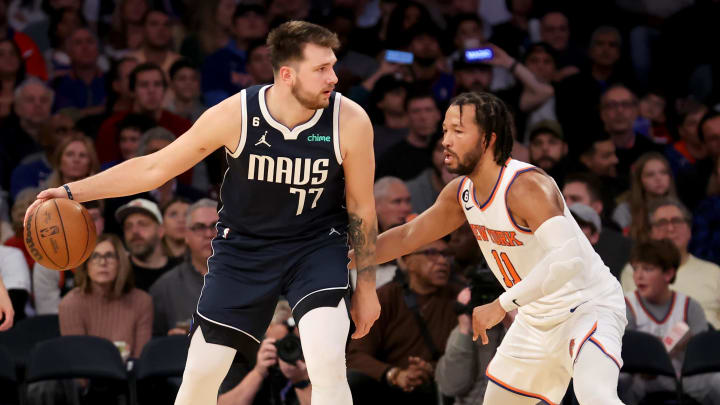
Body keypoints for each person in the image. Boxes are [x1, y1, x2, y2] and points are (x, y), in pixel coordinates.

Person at [28, 21, 380, 405]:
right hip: (245, 249)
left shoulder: (350, 120)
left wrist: (365, 287)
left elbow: (362, 209)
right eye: (321, 69)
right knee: (200, 374)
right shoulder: (237, 114)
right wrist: (70, 190)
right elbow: (154, 168)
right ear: (286, 74)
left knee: (327, 361)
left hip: (315, 247)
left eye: (333, 65)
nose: (334, 78)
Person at [354, 92, 627, 404]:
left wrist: (502, 304)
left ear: (488, 139)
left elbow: (568, 261)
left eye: (458, 131)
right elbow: (408, 237)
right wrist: (348, 259)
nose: (446, 140)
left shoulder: (527, 186)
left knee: (596, 396)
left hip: (586, 306)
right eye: (444, 130)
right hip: (537, 316)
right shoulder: (461, 193)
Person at [347, 238, 458, 405]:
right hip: (388, 387)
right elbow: (355, 356)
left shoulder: (459, 299)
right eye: (431, 253)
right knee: (352, 381)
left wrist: (430, 369)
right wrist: (394, 374)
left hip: (438, 387)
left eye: (446, 254)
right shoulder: (385, 298)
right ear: (407, 260)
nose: (443, 261)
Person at [622, 239, 720, 405]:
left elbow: (703, 357)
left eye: (647, 269)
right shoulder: (627, 305)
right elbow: (625, 353)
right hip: (640, 379)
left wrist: (688, 344)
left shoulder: (690, 306)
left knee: (717, 381)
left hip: (684, 377)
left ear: (668, 274)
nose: (638, 276)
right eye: (636, 268)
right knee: (618, 381)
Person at [620, 198, 720, 329]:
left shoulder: (714, 272)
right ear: (651, 232)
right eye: (662, 223)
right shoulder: (634, 270)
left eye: (677, 221)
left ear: (689, 229)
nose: (670, 228)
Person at [59, 233, 153, 359]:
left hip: (130, 376)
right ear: (86, 265)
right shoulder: (70, 304)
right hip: (88, 375)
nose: (103, 262)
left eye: (109, 256)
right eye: (95, 256)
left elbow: (141, 361)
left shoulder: (142, 301)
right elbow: (77, 363)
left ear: (120, 263)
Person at [150, 198, 217, 336]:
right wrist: (170, 342)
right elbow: (153, 348)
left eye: (216, 226)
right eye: (199, 227)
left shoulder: (249, 278)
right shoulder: (165, 287)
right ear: (186, 235)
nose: (209, 234)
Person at [33, 200, 105, 315]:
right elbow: (48, 314)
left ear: (103, 222)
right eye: (80, 219)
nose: (88, 225)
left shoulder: (119, 256)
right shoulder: (49, 261)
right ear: (64, 224)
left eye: (94, 218)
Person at [115, 198, 180, 291]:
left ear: (161, 230)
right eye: (128, 226)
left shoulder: (180, 272)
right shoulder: (117, 274)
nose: (134, 231)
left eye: (143, 224)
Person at [612, 152, 677, 239]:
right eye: (650, 174)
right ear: (639, 180)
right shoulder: (625, 211)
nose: (658, 178)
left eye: (663, 172)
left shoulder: (678, 208)